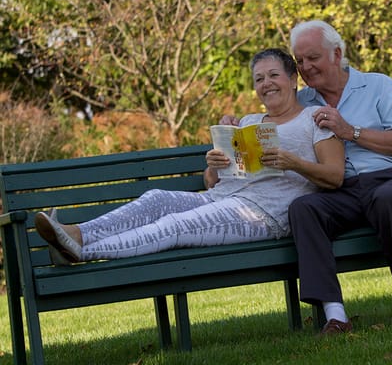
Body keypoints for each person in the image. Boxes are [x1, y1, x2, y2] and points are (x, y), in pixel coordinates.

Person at [34, 48, 345, 264]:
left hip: (262, 214)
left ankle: (81, 251)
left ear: (293, 79)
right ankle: (77, 234)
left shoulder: (314, 118)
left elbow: (335, 176)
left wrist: (294, 163)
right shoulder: (249, 123)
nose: (266, 84)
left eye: (273, 75)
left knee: (175, 225)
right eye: (259, 79)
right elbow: (212, 183)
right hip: (221, 198)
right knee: (157, 198)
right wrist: (215, 165)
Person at [222, 21, 392, 334]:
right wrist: (235, 126)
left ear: (337, 54)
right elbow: (273, 116)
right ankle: (335, 315)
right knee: (304, 208)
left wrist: (351, 132)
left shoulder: (380, 86)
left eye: (313, 58)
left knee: (387, 198)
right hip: (341, 190)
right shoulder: (303, 101)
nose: (306, 67)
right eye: (300, 61)